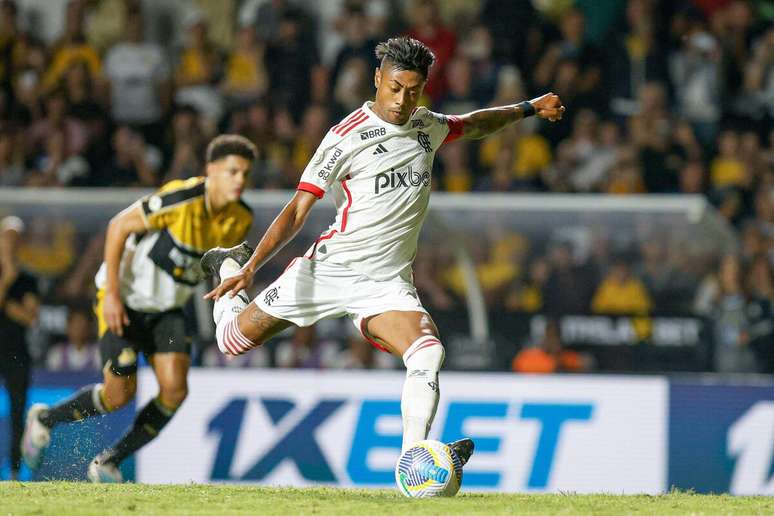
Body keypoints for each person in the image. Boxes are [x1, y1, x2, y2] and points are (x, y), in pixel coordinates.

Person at [200, 37, 564, 471]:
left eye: (413, 90)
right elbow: (298, 209)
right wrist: (250, 267)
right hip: (330, 269)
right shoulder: (344, 136)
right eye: (394, 87)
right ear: (377, 79)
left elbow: (474, 123)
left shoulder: (427, 125)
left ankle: (414, 461)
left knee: (427, 352)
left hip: (387, 284)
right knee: (231, 342)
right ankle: (225, 261)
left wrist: (527, 108)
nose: (402, 100)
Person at [21, 135, 256, 483]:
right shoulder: (181, 199)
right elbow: (118, 226)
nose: (239, 180)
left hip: (169, 308)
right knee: (118, 394)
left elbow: (210, 266)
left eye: (245, 174)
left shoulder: (240, 218)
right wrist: (113, 294)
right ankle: (45, 419)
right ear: (211, 171)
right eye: (232, 171)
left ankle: (110, 462)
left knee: (175, 390)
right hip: (127, 299)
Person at [0, 216, 40, 480]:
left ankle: (14, 472)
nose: (10, 242)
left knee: (17, 413)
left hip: (17, 353)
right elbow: (24, 313)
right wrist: (6, 280)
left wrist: (5, 304)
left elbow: (31, 317)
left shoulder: (28, 278)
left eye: (15, 237)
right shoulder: (17, 278)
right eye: (7, 236)